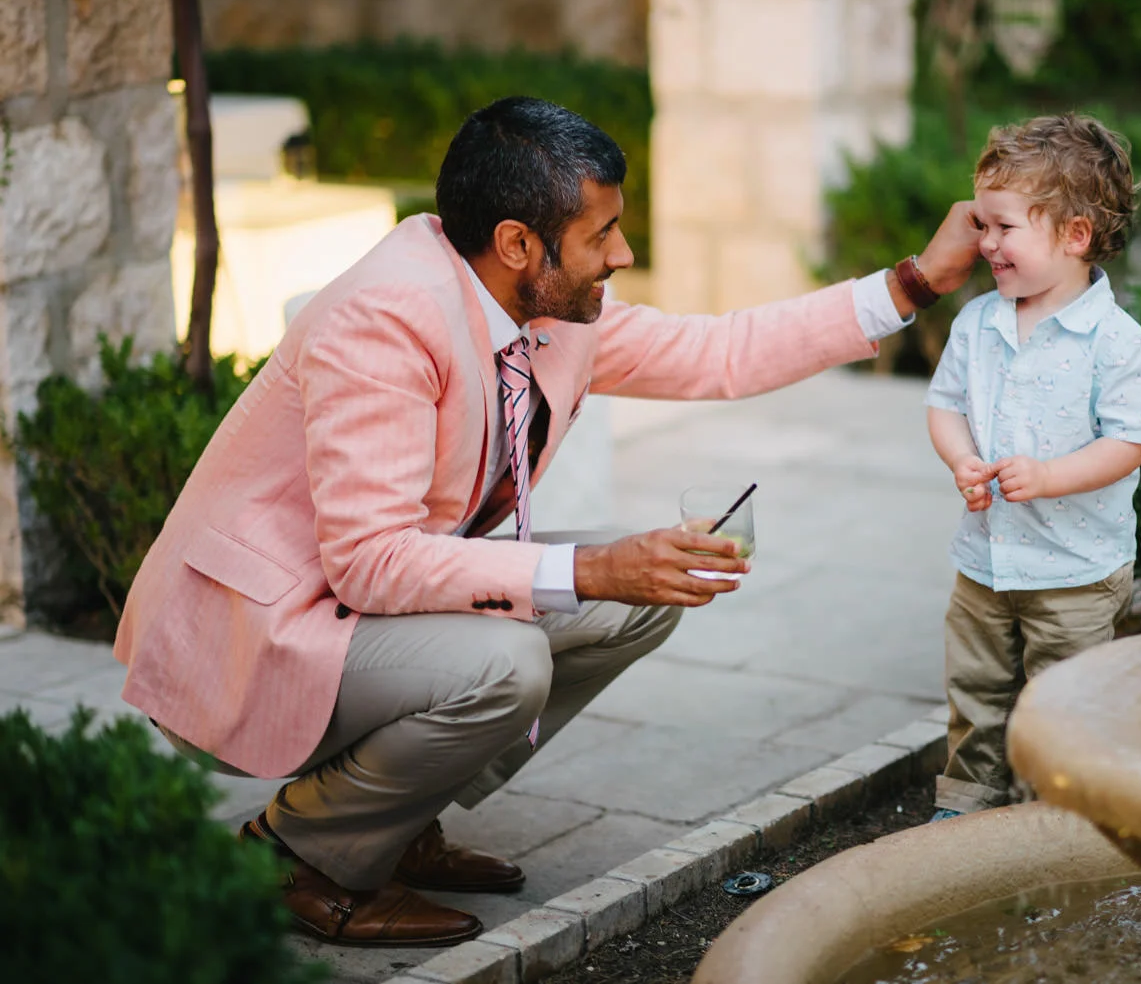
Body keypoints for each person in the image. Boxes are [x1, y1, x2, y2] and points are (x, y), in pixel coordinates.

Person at [114, 96, 980, 947]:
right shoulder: (385, 319)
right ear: (517, 243)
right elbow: (370, 562)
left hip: (352, 607)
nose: (624, 253)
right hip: (257, 633)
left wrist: (914, 283)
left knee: (641, 598)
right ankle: (297, 857)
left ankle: (390, 817)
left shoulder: (541, 310)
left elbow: (721, 352)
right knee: (512, 654)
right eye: (601, 234)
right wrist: (593, 567)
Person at [923, 114, 1141, 823]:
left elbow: (1129, 443)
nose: (983, 243)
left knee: (1060, 699)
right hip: (985, 563)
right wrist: (961, 456)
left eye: (1001, 227)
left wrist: (1050, 477)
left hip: (1074, 570)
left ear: (1074, 235)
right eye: (980, 224)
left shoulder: (1113, 342)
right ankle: (967, 800)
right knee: (976, 688)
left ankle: (1048, 817)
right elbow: (943, 405)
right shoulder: (978, 323)